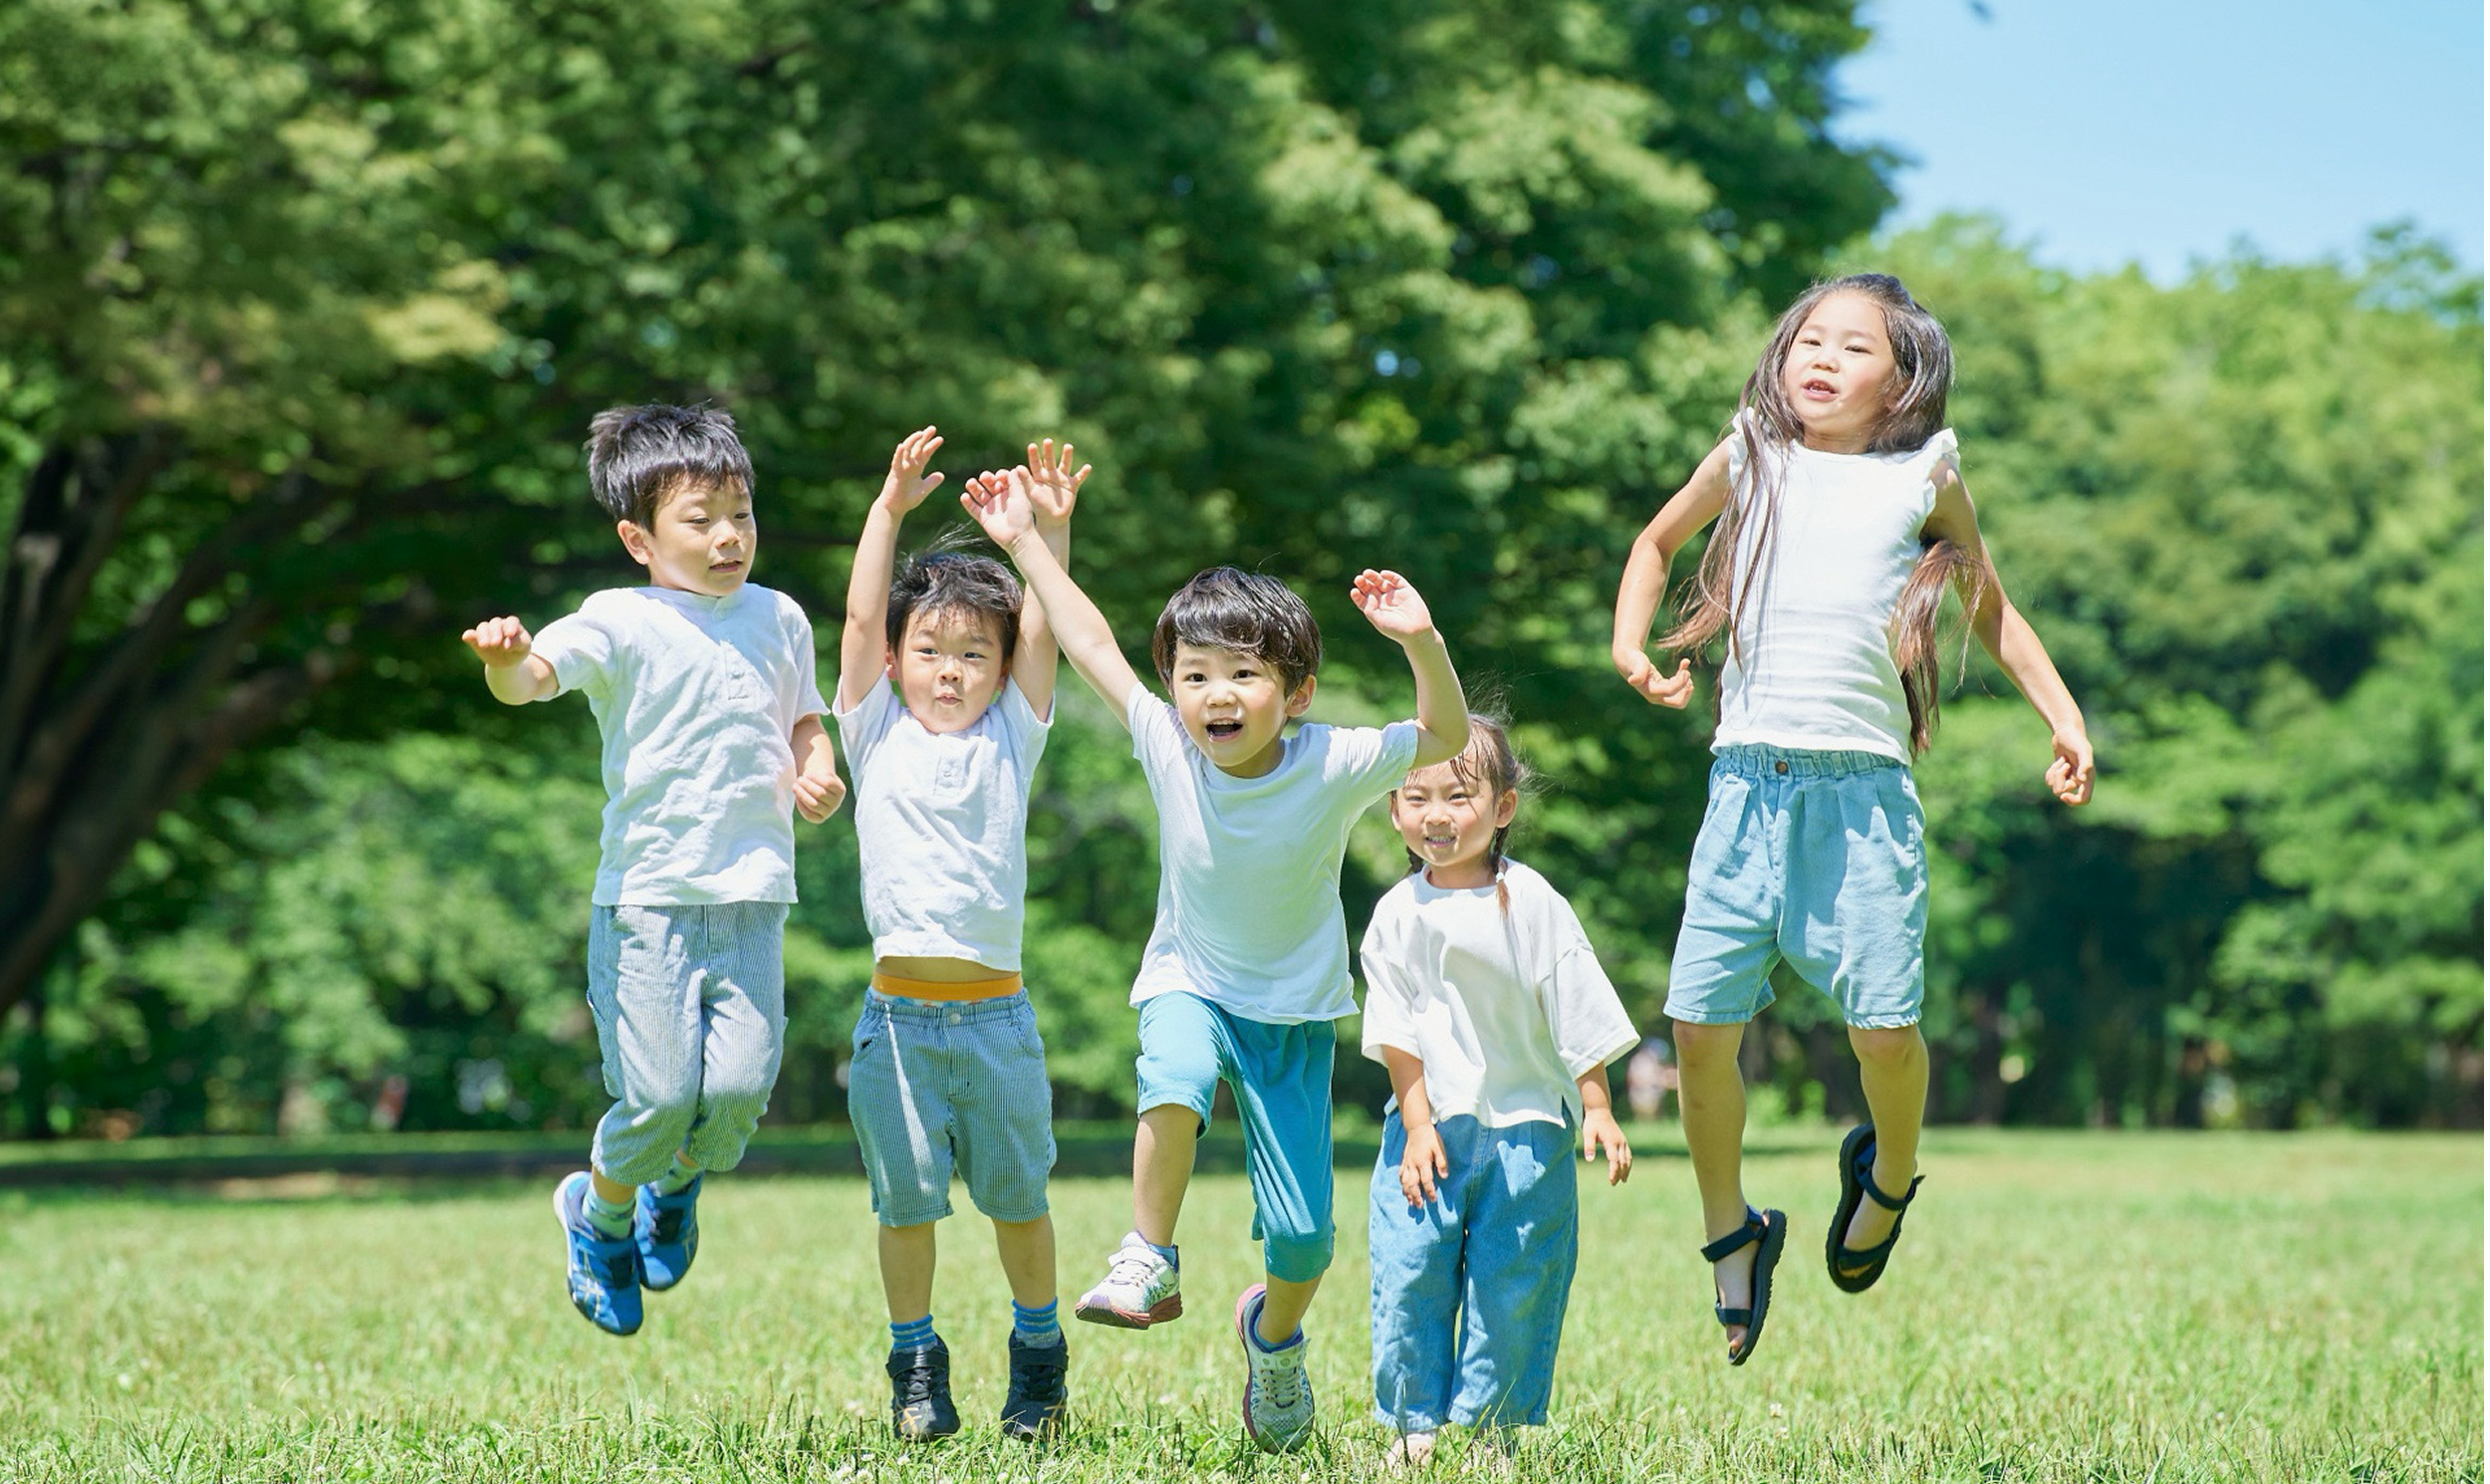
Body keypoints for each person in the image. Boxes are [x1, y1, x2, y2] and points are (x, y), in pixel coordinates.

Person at [1610, 273, 2095, 1365]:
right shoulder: (1750, 452)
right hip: (1743, 783)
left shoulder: (1923, 472)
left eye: (1850, 347)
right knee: (1697, 1026)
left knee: (1881, 1027)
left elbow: (1989, 603)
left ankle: (1886, 1174)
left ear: (1902, 379)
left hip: (1863, 798)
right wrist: (1631, 646)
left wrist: (2063, 717)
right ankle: (1729, 1229)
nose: (1817, 359)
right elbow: (1652, 544)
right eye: (1805, 341)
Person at [960, 471, 1471, 1455]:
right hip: (1187, 979)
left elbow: (1445, 734)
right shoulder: (1166, 743)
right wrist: (1027, 540)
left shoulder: (1333, 760)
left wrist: (1419, 639)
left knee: (1304, 1239)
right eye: (1194, 673)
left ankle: (1271, 1339)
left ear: (1295, 691)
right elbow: (1089, 641)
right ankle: (1148, 1250)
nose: (1214, 695)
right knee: (1174, 1075)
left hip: (1290, 1014)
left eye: (1241, 674)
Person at [459, 403, 845, 1339]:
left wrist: (817, 760)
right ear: (637, 537)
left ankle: (674, 1188)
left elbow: (802, 715)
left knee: (740, 1094)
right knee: (662, 1095)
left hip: (752, 895)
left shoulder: (780, 616)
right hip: (649, 903)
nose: (728, 536)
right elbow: (536, 679)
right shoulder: (618, 618)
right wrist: (505, 663)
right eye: (700, 517)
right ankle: (600, 1216)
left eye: (741, 514)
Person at [834, 429, 1084, 1442]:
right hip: (896, 1025)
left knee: (1019, 1199)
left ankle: (1037, 1352)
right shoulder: (873, 729)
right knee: (906, 1208)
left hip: (997, 1023)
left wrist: (1047, 535)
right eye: (930, 652)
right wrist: (886, 508)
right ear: (894, 663)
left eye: (973, 653)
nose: (951, 671)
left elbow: (1047, 631)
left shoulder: (1011, 735)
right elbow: (856, 613)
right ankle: (916, 1362)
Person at [1360, 715, 1638, 1468]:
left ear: (1504, 806)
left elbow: (1573, 999)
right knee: (1411, 1272)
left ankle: (1490, 1427)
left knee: (1515, 1281)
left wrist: (1599, 1105)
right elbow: (1397, 1032)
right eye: (1416, 798)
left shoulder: (1534, 900)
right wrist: (1416, 1125)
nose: (1437, 815)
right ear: (1394, 810)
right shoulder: (1396, 914)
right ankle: (1413, 1422)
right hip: (1427, 1133)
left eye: (1459, 795)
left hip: (1527, 1130)